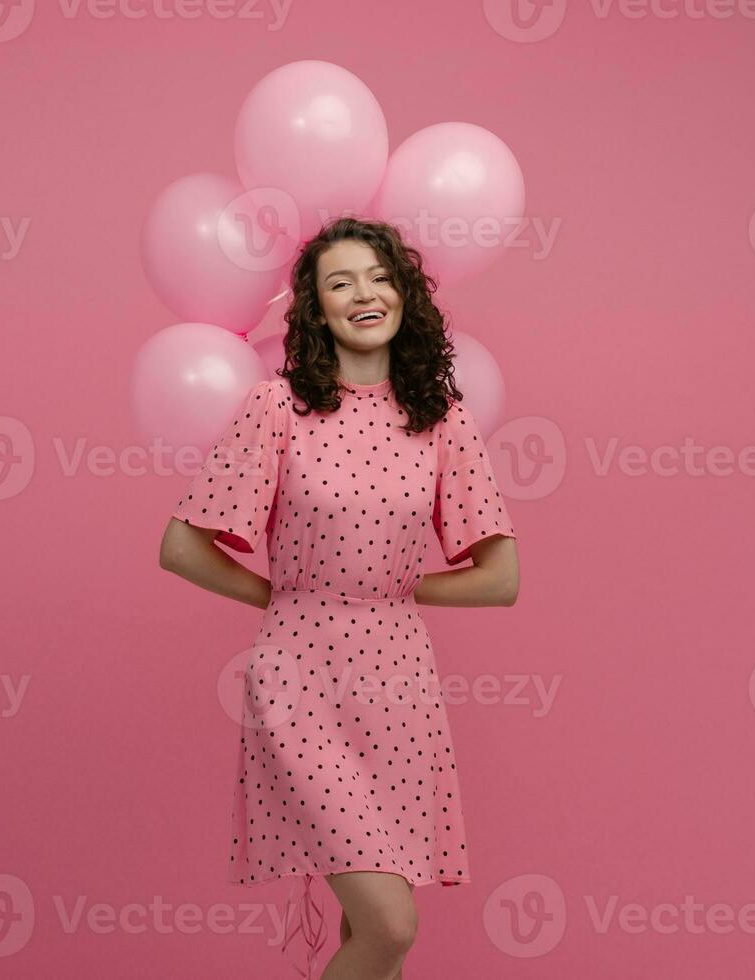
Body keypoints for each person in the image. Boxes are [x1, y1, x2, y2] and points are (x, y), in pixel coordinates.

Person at [159, 216, 520, 979]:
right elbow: (182, 546)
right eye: (339, 282)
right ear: (315, 311)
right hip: (300, 681)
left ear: (404, 294)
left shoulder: (440, 420)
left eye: (379, 277)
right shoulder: (277, 409)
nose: (363, 294)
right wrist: (287, 596)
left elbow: (501, 576)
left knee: (374, 939)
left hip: (397, 685)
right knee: (391, 926)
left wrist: (392, 583)